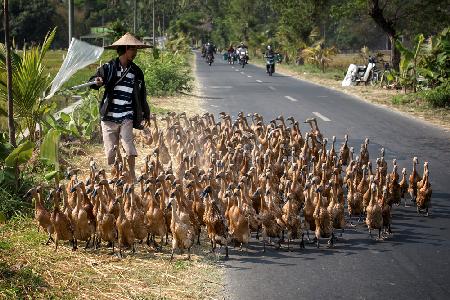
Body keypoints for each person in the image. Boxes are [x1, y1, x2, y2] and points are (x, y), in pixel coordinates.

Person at [90, 32, 151, 183]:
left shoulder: (136, 72)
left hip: (126, 115)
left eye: (136, 50)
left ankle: (131, 174)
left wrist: (146, 113)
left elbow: (142, 95)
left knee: (128, 147)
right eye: (133, 50)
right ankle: (116, 173)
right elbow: (94, 81)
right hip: (109, 117)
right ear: (124, 49)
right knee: (111, 152)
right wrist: (96, 81)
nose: (135, 53)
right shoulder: (109, 67)